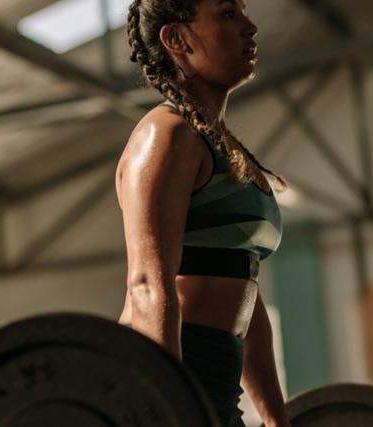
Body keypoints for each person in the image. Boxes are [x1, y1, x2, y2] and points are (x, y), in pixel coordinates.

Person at [115, 0, 292, 426]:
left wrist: (276, 420)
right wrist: (171, 406)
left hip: (214, 382)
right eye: (229, 14)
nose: (250, 28)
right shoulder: (165, 135)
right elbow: (146, 286)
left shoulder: (218, 145)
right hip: (159, 379)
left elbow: (245, 296)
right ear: (177, 39)